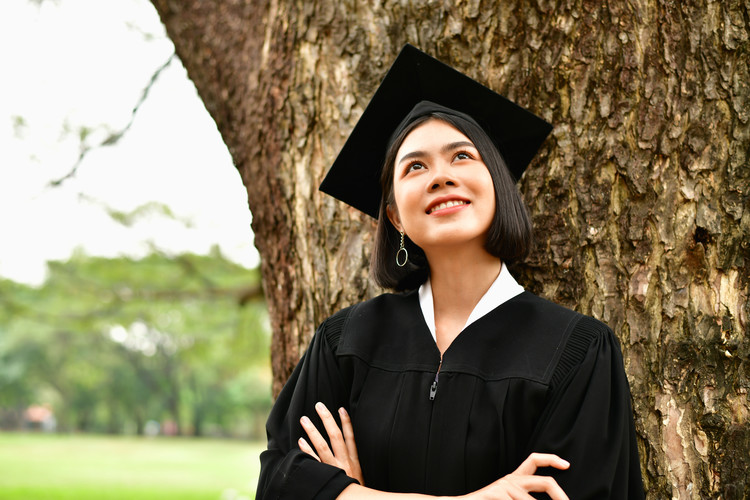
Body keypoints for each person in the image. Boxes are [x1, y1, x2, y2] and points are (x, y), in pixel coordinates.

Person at [256, 44, 645, 499]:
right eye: (415, 166)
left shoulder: (576, 352)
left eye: (462, 156)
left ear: (497, 184)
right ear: (396, 217)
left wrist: (350, 494)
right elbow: (280, 483)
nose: (440, 176)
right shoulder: (346, 342)